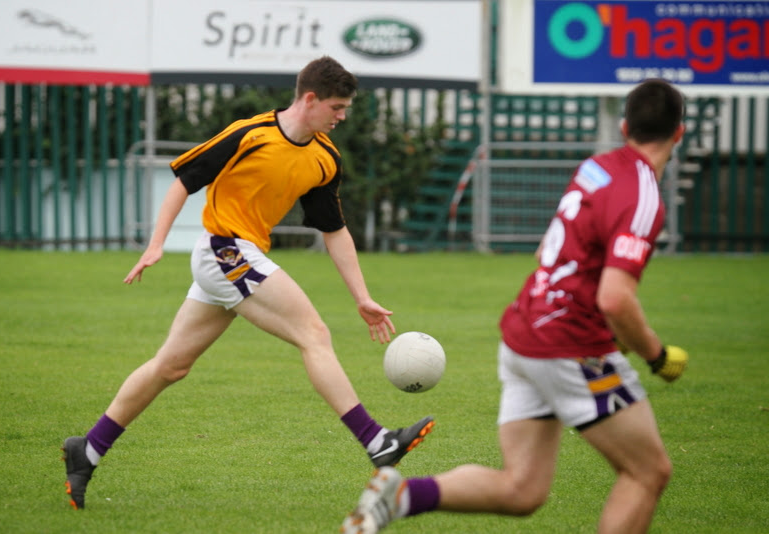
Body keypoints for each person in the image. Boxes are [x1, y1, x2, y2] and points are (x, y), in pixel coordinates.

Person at [62, 56, 434, 510]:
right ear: (310, 98)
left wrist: (363, 297)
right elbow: (184, 178)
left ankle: (89, 449)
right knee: (314, 335)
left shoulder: (324, 158)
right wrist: (155, 244)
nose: (342, 116)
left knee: (171, 366)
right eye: (336, 107)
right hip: (225, 249)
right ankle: (378, 443)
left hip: (236, 256)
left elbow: (334, 229)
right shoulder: (250, 133)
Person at [341, 78, 690, 534]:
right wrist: (657, 356)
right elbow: (615, 297)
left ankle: (401, 495)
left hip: (524, 333)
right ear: (679, 133)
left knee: (523, 489)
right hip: (568, 343)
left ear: (624, 127)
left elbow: (552, 251)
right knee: (649, 472)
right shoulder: (643, 194)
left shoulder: (596, 168)